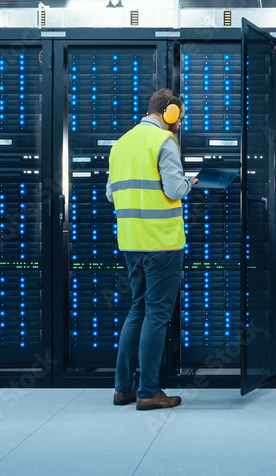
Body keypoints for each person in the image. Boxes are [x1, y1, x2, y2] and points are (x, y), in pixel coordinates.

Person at [106, 88, 197, 411]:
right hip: (162, 241)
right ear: (170, 113)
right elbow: (173, 189)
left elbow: (111, 194)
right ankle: (148, 392)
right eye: (180, 116)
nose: (180, 122)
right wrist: (189, 182)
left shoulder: (121, 144)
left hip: (131, 241)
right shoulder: (164, 142)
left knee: (137, 311)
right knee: (157, 316)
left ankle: (122, 389)